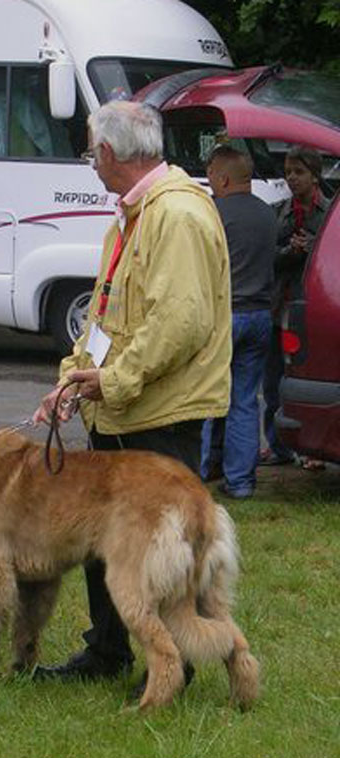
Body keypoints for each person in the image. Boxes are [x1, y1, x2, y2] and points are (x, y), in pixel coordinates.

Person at [31, 101, 231, 687]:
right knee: (106, 543)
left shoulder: (178, 216)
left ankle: (178, 662)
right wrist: (73, 376)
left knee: (162, 554)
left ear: (110, 153)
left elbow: (180, 321)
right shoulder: (132, 215)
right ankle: (107, 652)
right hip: (120, 411)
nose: (91, 163)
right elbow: (106, 313)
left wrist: (112, 380)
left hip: (159, 416)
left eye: (92, 151)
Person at [200, 146, 277, 499]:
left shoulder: (212, 213)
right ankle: (241, 482)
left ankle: (197, 473)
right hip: (261, 314)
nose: (210, 181)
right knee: (245, 399)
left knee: (204, 397)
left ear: (224, 178)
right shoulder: (268, 214)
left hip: (224, 315)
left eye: (212, 174)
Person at [261, 146, 330, 469]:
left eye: (299, 172)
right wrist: (290, 250)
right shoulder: (278, 212)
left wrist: (315, 248)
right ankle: (277, 446)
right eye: (288, 172)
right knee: (272, 382)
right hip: (279, 309)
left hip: (310, 312)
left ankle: (312, 450)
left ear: (315, 175)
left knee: (308, 380)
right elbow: (266, 257)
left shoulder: (329, 214)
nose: (292, 178)